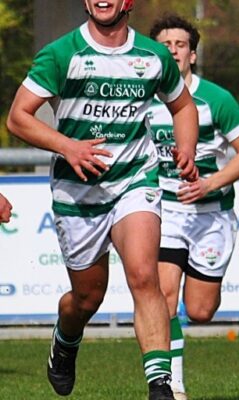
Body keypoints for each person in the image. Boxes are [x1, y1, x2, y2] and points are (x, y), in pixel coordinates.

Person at [6, 1, 199, 399]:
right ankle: (66, 339)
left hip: (135, 178)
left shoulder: (153, 56)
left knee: (144, 275)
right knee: (86, 297)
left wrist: (187, 148)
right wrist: (68, 147)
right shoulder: (61, 54)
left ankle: (161, 385)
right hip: (78, 191)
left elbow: (182, 106)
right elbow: (18, 117)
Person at [148, 14, 239, 400]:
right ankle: (172, 385)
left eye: (180, 45)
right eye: (165, 45)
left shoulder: (216, 99)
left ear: (192, 55)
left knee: (199, 310)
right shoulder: (143, 98)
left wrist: (210, 183)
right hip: (164, 210)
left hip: (211, 216)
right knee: (163, 296)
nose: (173, 51)